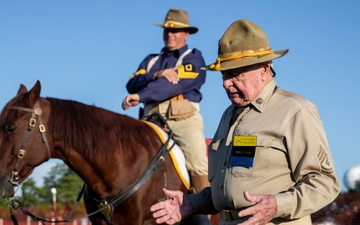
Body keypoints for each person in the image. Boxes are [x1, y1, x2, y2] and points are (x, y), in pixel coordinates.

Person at [149, 19, 341, 225]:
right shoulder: (228, 115)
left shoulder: (295, 110)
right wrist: (192, 203)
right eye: (223, 74)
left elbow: (324, 183)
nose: (225, 83)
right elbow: (226, 190)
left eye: (234, 74)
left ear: (264, 69)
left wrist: (277, 205)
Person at [122, 8, 209, 194]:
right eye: (166, 30)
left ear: (186, 34)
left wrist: (141, 96)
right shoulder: (151, 61)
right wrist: (157, 74)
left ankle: (205, 215)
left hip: (181, 119)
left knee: (197, 163)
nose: (170, 35)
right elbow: (131, 84)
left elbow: (172, 86)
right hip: (149, 119)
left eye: (175, 30)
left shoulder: (194, 58)